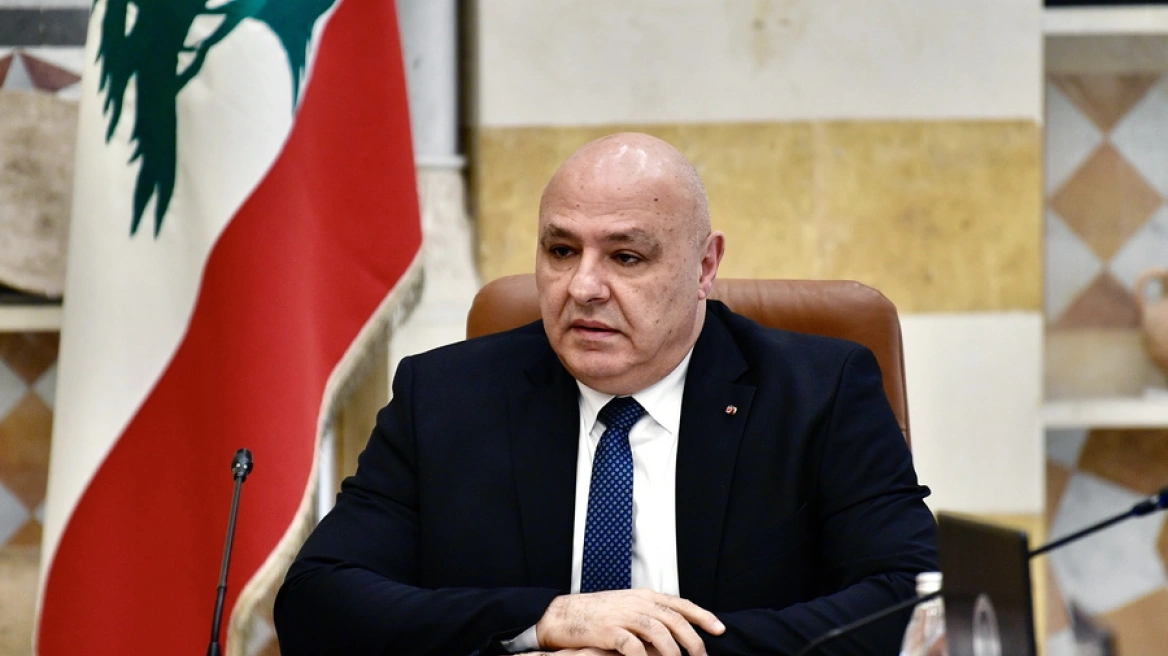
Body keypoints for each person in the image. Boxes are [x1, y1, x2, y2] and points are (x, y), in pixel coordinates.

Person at [274, 133, 937, 656]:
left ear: (705, 266)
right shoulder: (445, 397)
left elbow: (911, 599)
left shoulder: (818, 393)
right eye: (561, 251)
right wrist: (548, 620)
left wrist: (660, 648)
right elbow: (317, 601)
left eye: (625, 257)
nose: (583, 288)